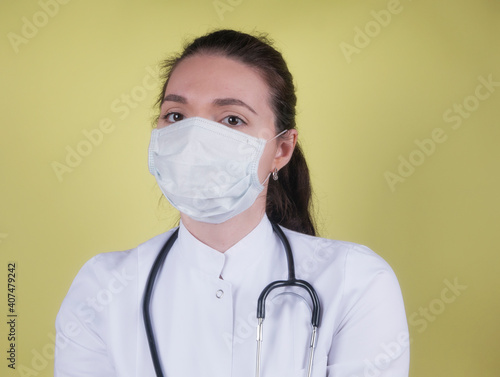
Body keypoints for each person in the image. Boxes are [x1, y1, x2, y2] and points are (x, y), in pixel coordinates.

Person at [55, 29, 409, 377]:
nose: (195, 140)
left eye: (231, 119)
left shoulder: (355, 282)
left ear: (281, 149)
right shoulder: (103, 288)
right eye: (176, 116)